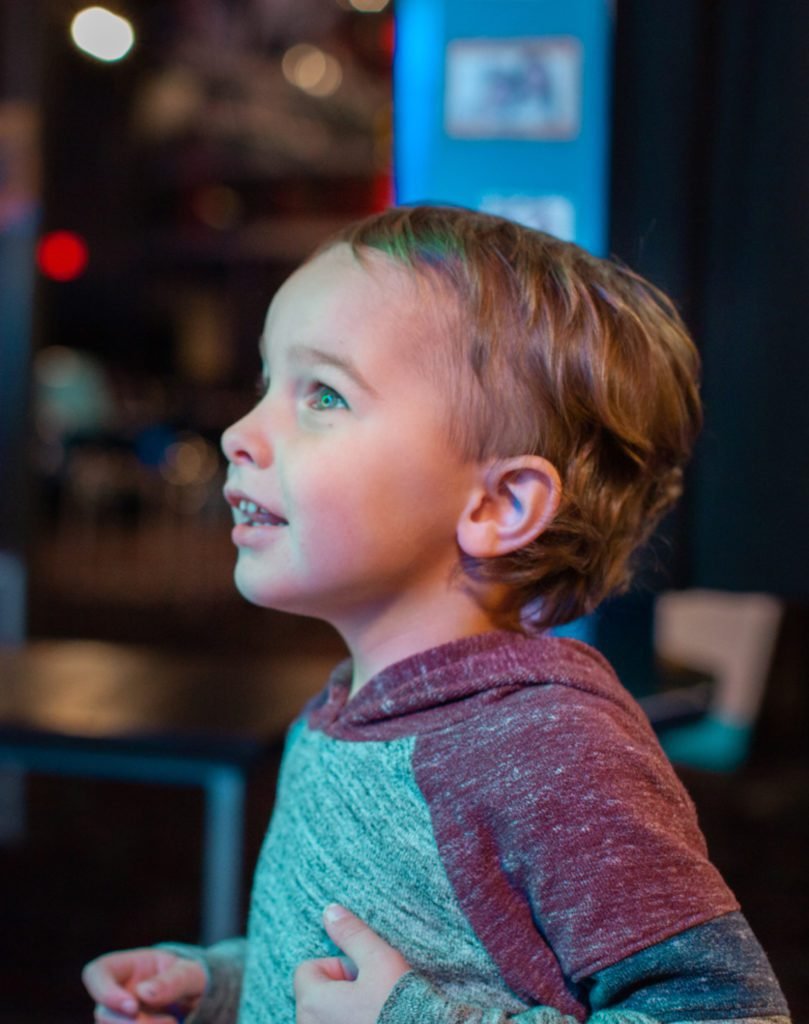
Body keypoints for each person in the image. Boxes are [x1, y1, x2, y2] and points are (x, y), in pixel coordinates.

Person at [82, 206, 790, 1024]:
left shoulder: (549, 749)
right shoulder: (357, 707)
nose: (241, 433)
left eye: (323, 395)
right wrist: (222, 986)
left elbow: (725, 1012)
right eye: (264, 386)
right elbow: (392, 960)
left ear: (498, 504)